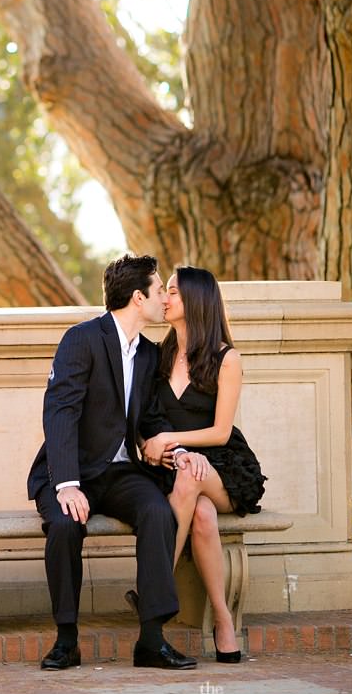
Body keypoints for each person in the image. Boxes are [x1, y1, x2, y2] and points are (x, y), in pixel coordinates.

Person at [27, 253, 209, 671]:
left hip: (121, 472)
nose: (165, 298)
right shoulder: (82, 339)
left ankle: (151, 640)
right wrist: (67, 484)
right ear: (137, 297)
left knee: (157, 512)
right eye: (160, 290)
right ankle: (66, 639)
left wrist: (177, 451)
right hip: (70, 471)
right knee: (64, 525)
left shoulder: (147, 354)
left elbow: (149, 418)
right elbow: (60, 411)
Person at [141, 265, 266, 664]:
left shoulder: (227, 358)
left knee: (191, 478)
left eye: (173, 292)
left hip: (223, 465)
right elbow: (143, 420)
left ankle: (154, 592)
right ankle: (224, 622)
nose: (165, 298)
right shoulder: (156, 355)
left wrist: (177, 443)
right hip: (174, 464)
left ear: (195, 300)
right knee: (203, 518)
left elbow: (220, 431)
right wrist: (154, 446)